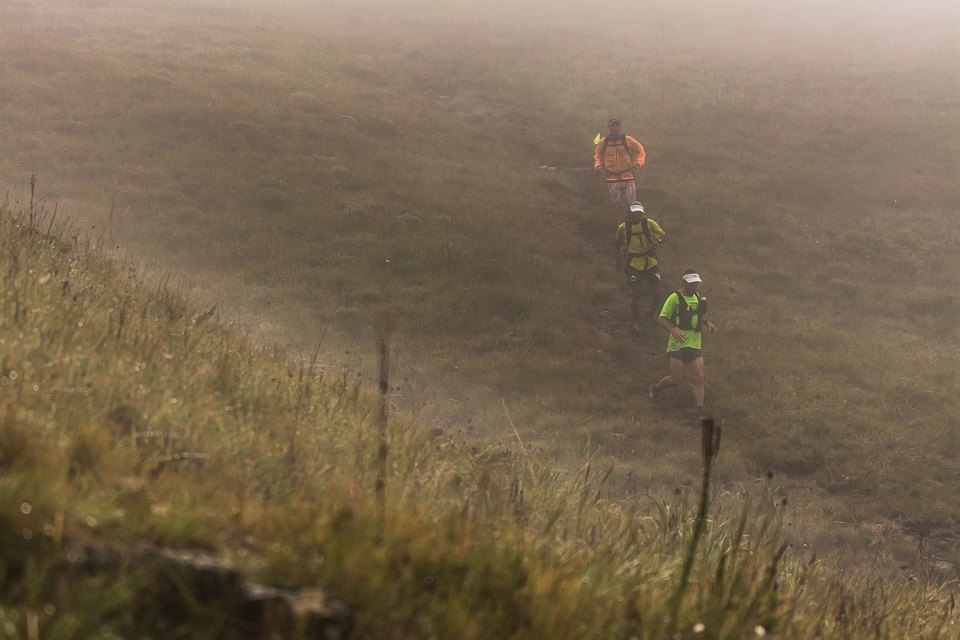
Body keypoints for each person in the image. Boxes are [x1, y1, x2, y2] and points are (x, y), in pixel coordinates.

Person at [648, 269, 718, 421]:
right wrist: (674, 331)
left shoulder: (697, 296)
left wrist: (707, 322)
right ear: (684, 282)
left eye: (696, 283)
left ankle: (699, 412)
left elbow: (695, 315)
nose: (694, 286)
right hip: (677, 344)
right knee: (675, 380)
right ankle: (655, 388)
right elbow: (661, 319)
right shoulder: (674, 298)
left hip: (694, 343)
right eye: (692, 283)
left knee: (699, 377)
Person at [615, 202, 666, 335]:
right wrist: (617, 259)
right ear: (629, 213)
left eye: (639, 213)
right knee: (635, 293)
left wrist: (657, 242)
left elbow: (663, 235)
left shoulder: (650, 224)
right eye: (634, 213)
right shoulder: (623, 228)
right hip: (633, 264)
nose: (637, 215)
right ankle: (635, 324)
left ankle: (651, 314)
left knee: (657, 295)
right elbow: (617, 243)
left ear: (642, 213)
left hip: (650, 263)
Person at [594, 118, 646, 215]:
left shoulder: (627, 140)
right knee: (617, 206)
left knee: (632, 204)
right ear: (608, 127)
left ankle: (635, 220)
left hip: (628, 177)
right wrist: (598, 165)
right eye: (612, 125)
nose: (614, 128)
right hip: (611, 178)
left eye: (617, 125)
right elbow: (598, 156)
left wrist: (638, 162)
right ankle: (620, 221)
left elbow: (641, 151)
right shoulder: (603, 142)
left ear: (620, 127)